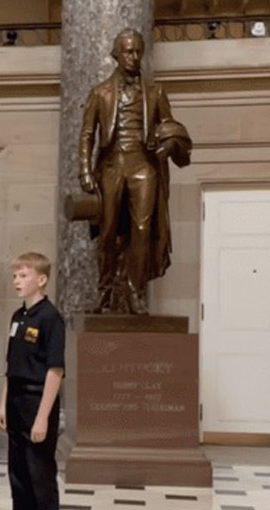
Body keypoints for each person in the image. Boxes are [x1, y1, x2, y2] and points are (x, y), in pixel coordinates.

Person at [79, 29, 190, 314]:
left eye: (138, 51)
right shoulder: (100, 92)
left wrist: (165, 148)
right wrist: (84, 171)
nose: (133, 57)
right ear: (117, 54)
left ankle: (135, 290)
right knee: (107, 232)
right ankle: (104, 293)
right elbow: (87, 134)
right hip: (112, 164)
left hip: (144, 165)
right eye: (128, 51)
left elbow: (171, 129)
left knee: (142, 229)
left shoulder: (156, 91)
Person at [0, 252, 66, 510]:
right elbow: (12, 367)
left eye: (23, 276)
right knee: (18, 473)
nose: (17, 282)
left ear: (41, 279)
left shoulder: (50, 317)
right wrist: (3, 402)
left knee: (40, 474)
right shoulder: (17, 317)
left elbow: (55, 370)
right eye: (15, 276)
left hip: (38, 401)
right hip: (16, 399)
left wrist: (42, 417)